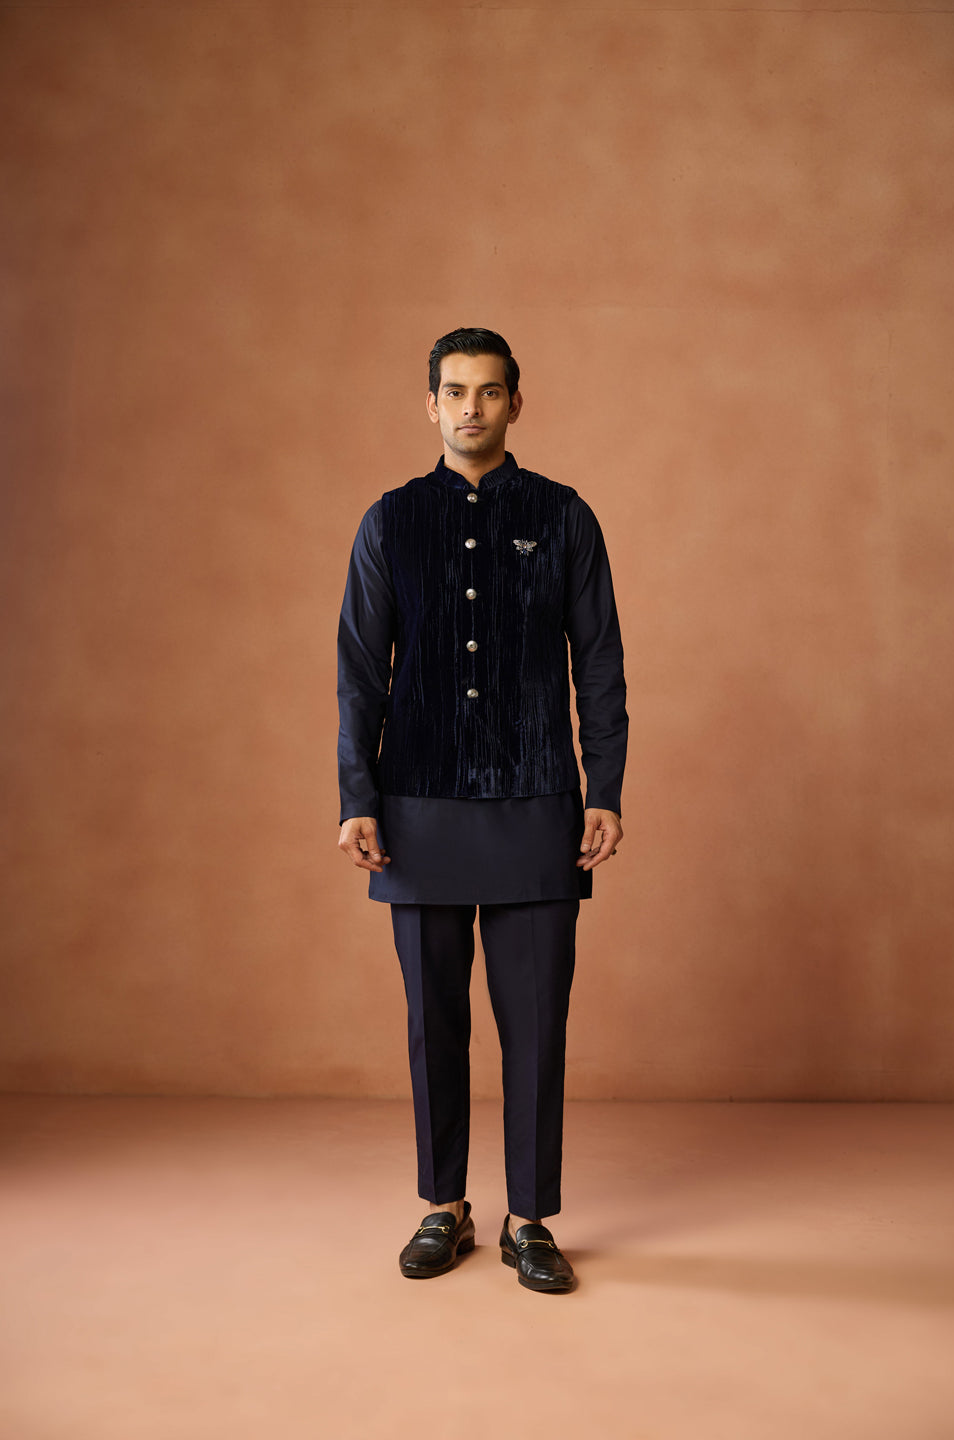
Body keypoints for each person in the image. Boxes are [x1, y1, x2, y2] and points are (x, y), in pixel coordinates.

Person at [337, 327, 627, 1293]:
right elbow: (358, 672)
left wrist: (604, 788)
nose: (471, 407)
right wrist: (358, 797)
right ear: (431, 404)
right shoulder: (389, 521)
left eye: (489, 391)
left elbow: (601, 664)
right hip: (416, 807)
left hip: (537, 803)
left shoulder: (564, 516)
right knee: (434, 1022)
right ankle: (444, 1206)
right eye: (455, 391)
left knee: (536, 1024)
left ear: (515, 403)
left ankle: (529, 1220)